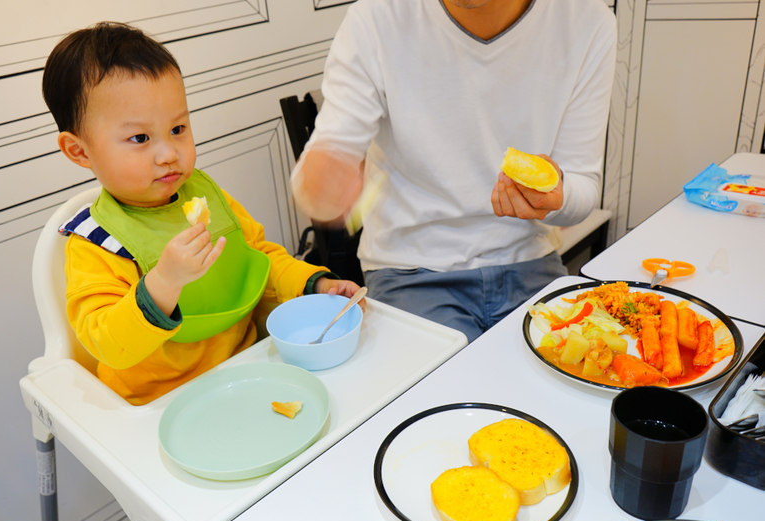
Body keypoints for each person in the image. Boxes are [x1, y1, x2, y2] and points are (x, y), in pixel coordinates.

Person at [42, 22, 362, 405]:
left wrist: (314, 285)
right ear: (79, 151)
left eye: (178, 128)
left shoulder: (206, 196)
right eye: (140, 138)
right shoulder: (96, 241)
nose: (168, 153)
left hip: (249, 368)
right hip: (160, 403)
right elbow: (107, 343)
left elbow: (259, 260)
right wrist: (164, 282)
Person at [292, 0, 616, 342]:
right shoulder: (376, 16)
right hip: (409, 272)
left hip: (530, 261)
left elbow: (583, 188)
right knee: (438, 394)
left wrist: (556, 198)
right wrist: (323, 183)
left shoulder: (587, 21)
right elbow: (327, 154)